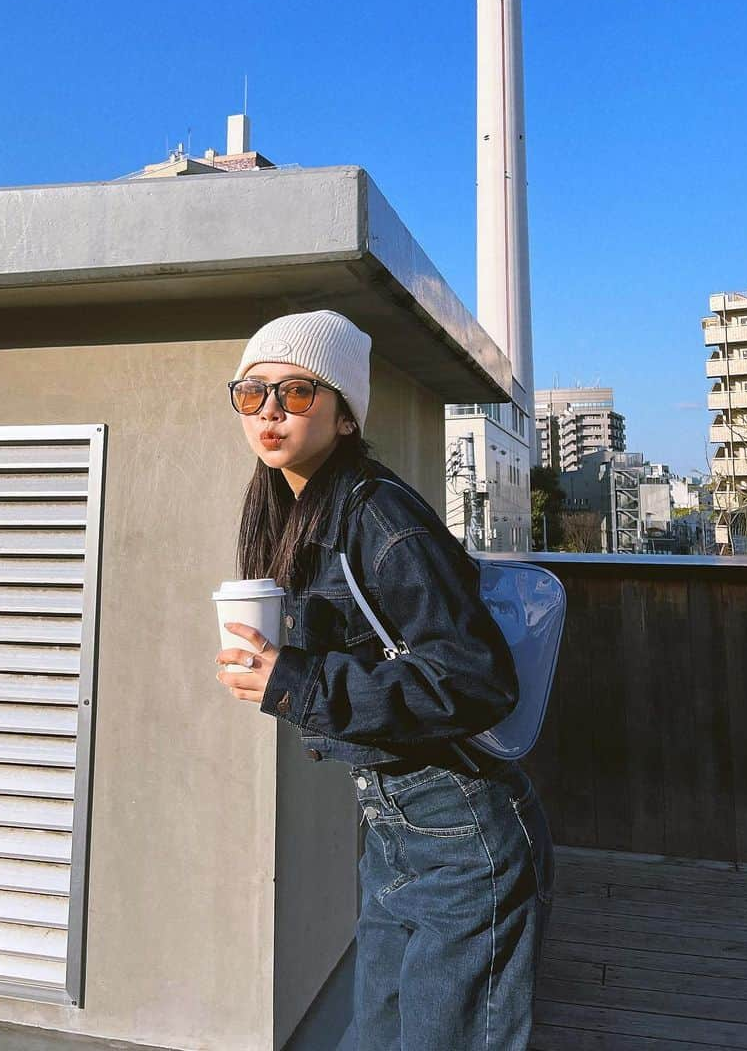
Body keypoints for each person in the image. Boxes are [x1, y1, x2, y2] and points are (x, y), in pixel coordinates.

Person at [214, 310, 553, 1050]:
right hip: (396, 824)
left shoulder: (381, 515)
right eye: (253, 394)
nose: (271, 411)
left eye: (298, 392)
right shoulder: (298, 510)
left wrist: (299, 684)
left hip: (461, 823)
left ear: (342, 416)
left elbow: (477, 680)